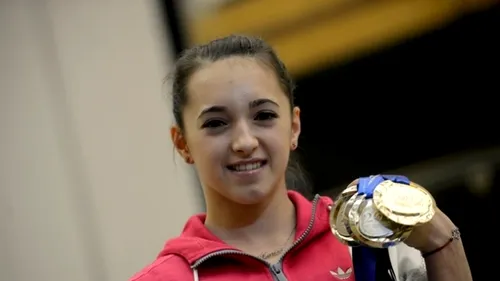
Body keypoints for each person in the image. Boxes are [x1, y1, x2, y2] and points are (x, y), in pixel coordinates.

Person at [129, 35, 472, 281]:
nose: (244, 142)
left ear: (293, 127)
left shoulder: (374, 243)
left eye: (263, 116)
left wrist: (442, 240)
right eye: (216, 123)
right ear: (182, 143)